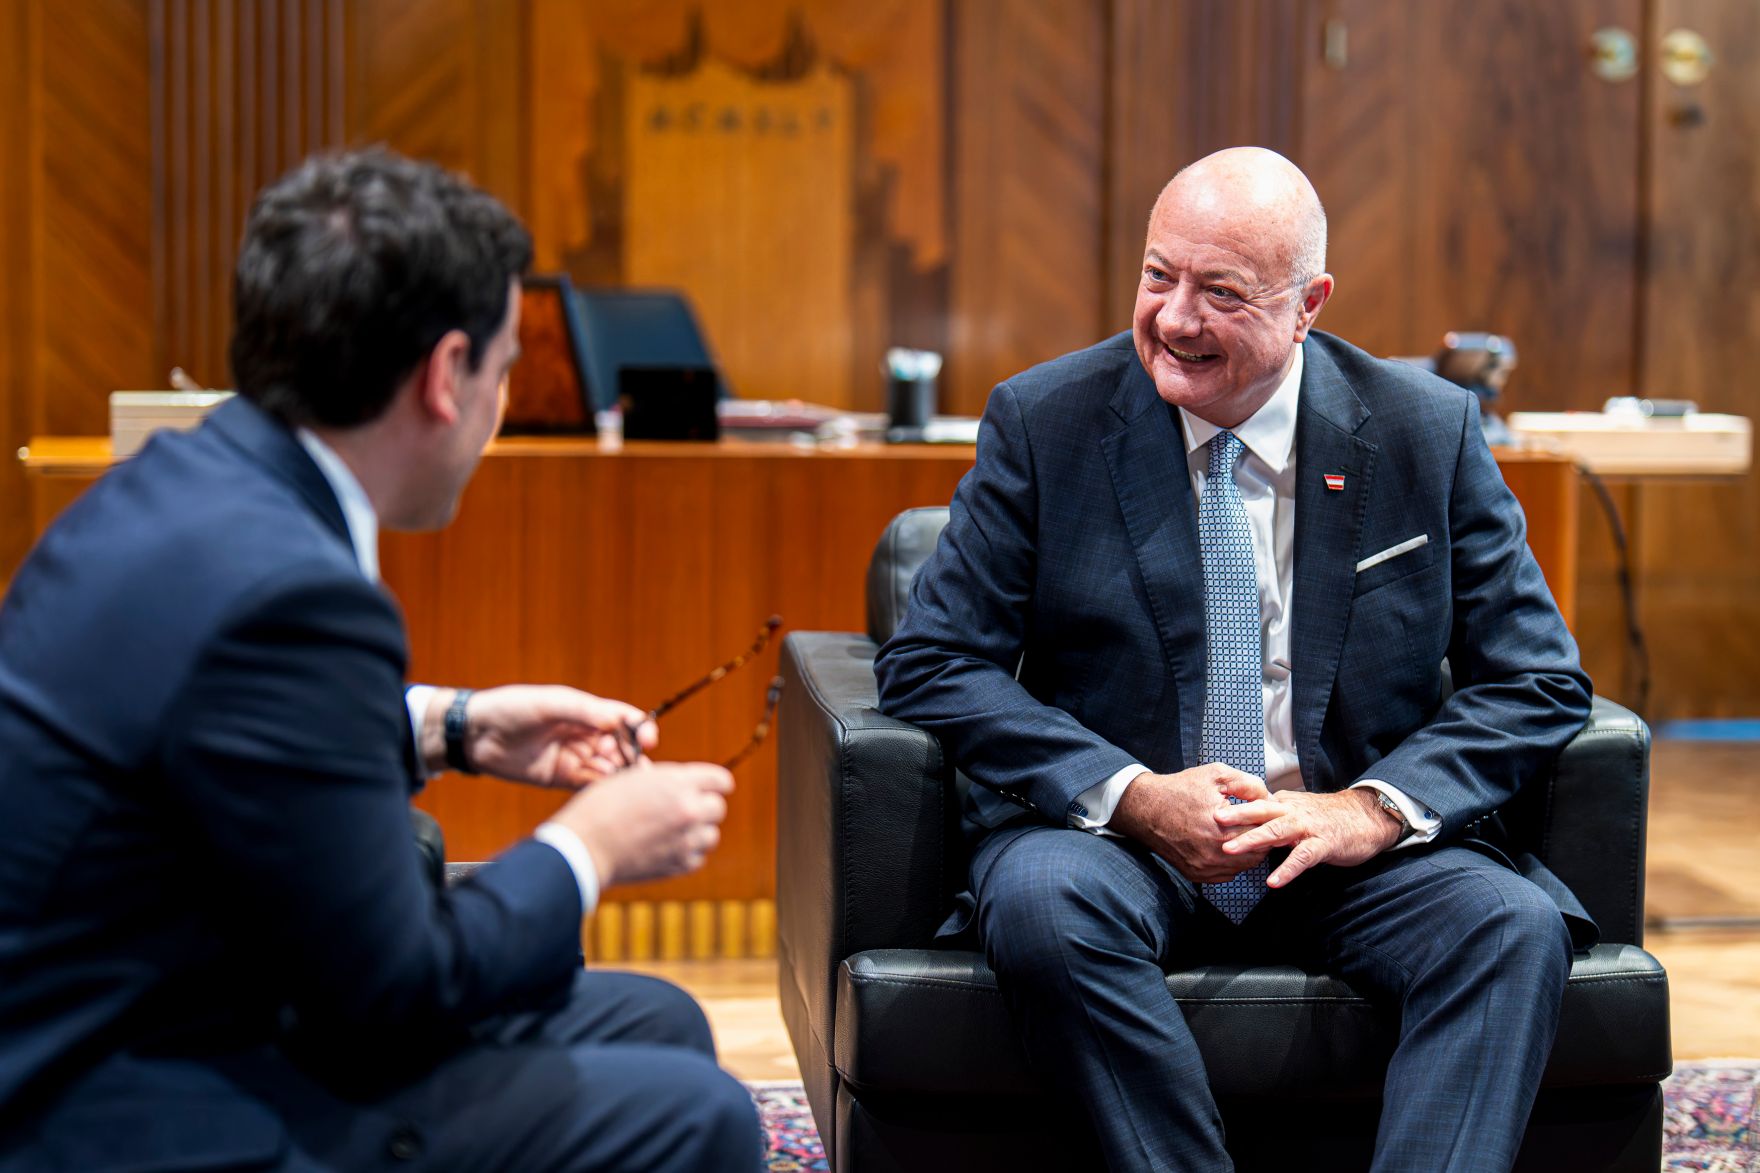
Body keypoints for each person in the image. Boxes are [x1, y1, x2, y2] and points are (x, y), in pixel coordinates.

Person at [0, 149, 761, 1171]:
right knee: (696, 1115)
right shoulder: (294, 591)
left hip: (158, 993)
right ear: (447, 377)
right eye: (501, 373)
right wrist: (592, 846)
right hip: (122, 1090)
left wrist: (458, 726)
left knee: (655, 1019)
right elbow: (397, 990)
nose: (495, 406)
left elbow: (222, 734)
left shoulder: (186, 480)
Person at [875, 147, 1594, 1172]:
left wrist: (1370, 810)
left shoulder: (1421, 431)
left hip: (1342, 846)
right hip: (1119, 845)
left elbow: (1536, 677)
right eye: (1156, 276)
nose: (1172, 320)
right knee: (1039, 902)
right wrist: (1129, 795)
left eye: (1220, 293)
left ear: (1308, 304)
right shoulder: (1046, 422)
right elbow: (933, 660)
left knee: (1508, 928)